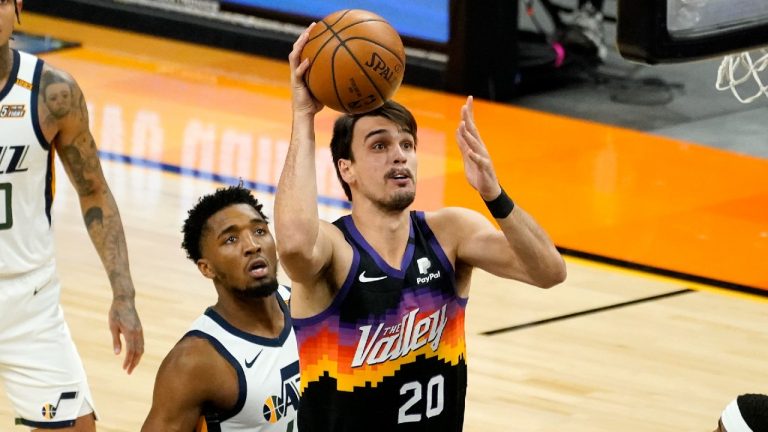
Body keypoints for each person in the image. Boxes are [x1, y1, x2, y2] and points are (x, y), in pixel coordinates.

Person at [275, 25, 567, 431]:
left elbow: (549, 272)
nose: (399, 156)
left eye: (407, 144)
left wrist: (494, 193)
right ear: (347, 169)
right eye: (379, 145)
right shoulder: (335, 248)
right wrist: (303, 115)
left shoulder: (450, 233)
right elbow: (291, 244)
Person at [0, 0, 143, 429]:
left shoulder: (51, 92)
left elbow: (93, 191)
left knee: (79, 426)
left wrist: (124, 295)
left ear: (18, 6)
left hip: (28, 301)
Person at [141, 184, 300, 432]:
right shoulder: (195, 361)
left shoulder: (308, 308)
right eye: (231, 239)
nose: (252, 245)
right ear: (207, 268)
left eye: (259, 230)